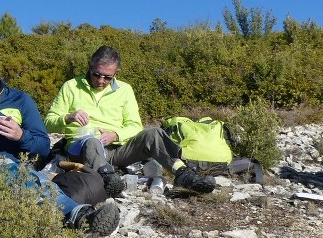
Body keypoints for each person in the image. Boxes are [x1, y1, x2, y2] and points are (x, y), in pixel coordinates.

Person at [0, 62, 120, 238]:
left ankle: (82, 216)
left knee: (30, 182)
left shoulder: (20, 101)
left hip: (12, 169)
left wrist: (21, 136)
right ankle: (72, 217)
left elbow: (44, 147)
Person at [44, 46, 215, 194]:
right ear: (90, 66)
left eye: (107, 77)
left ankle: (183, 174)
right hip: (81, 149)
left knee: (154, 134)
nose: (101, 80)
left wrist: (116, 135)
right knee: (92, 142)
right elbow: (48, 122)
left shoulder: (125, 90)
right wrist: (68, 117)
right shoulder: (71, 86)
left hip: (115, 151)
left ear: (116, 73)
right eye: (96, 74)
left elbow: (135, 126)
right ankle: (107, 180)